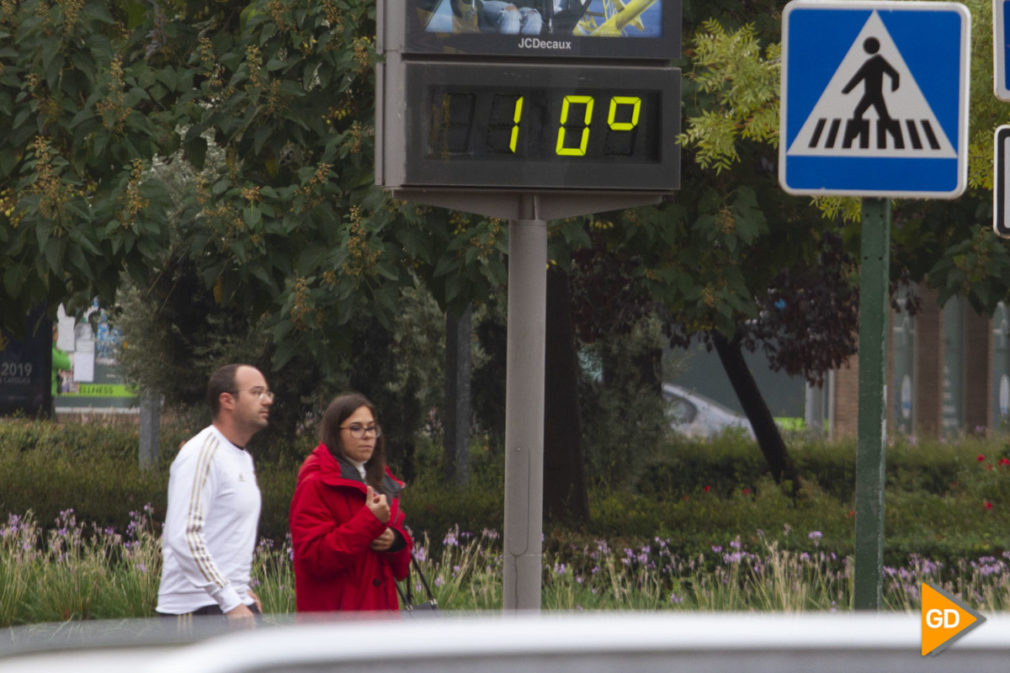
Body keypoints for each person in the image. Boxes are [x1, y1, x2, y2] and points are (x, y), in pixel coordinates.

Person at [155, 363, 273, 627]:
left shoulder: (242, 457)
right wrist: (230, 600)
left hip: (228, 605)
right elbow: (184, 536)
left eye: (267, 393)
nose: (267, 400)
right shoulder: (202, 453)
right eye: (256, 392)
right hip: (195, 611)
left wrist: (240, 593)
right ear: (227, 400)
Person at [289, 393, 412, 612]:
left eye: (372, 428)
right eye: (356, 428)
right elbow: (314, 559)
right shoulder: (315, 483)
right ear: (335, 433)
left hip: (381, 626)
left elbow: (401, 570)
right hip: (338, 631)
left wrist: (395, 542)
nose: (367, 436)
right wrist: (369, 522)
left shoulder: (383, 480)